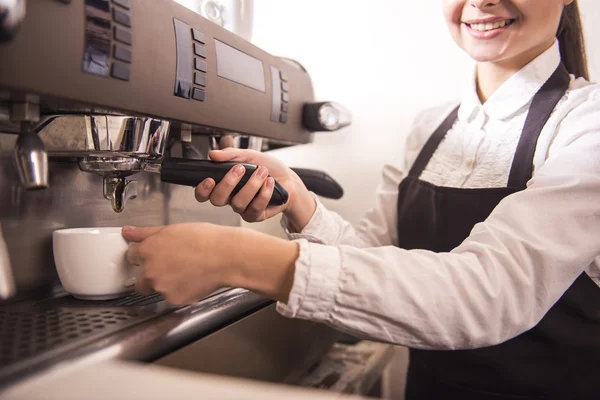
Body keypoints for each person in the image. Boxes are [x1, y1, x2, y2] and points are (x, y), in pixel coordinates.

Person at [123, 0, 600, 398]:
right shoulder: (431, 126)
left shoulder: (586, 123)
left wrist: (234, 255)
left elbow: (491, 291)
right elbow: (376, 260)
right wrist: (300, 202)